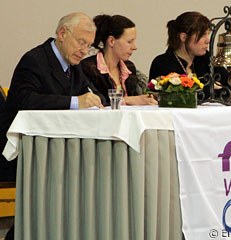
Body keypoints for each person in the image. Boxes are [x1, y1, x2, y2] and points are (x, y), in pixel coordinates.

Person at [0, 12, 105, 183]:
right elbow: (26, 100)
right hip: (25, 151)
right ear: (62, 34)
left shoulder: (74, 65)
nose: (84, 51)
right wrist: (76, 102)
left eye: (89, 46)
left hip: (57, 146)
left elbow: (94, 94)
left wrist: (95, 99)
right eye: (81, 42)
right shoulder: (35, 60)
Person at [149, 11, 231, 100]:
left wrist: (209, 91)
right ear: (183, 37)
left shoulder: (206, 58)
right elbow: (178, 98)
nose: (208, 40)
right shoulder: (163, 63)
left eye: (208, 34)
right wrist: (211, 88)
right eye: (202, 35)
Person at [81, 14, 157, 106]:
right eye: (129, 42)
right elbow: (97, 103)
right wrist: (127, 100)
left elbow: (136, 98)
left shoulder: (129, 67)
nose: (134, 47)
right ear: (111, 41)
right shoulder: (87, 68)